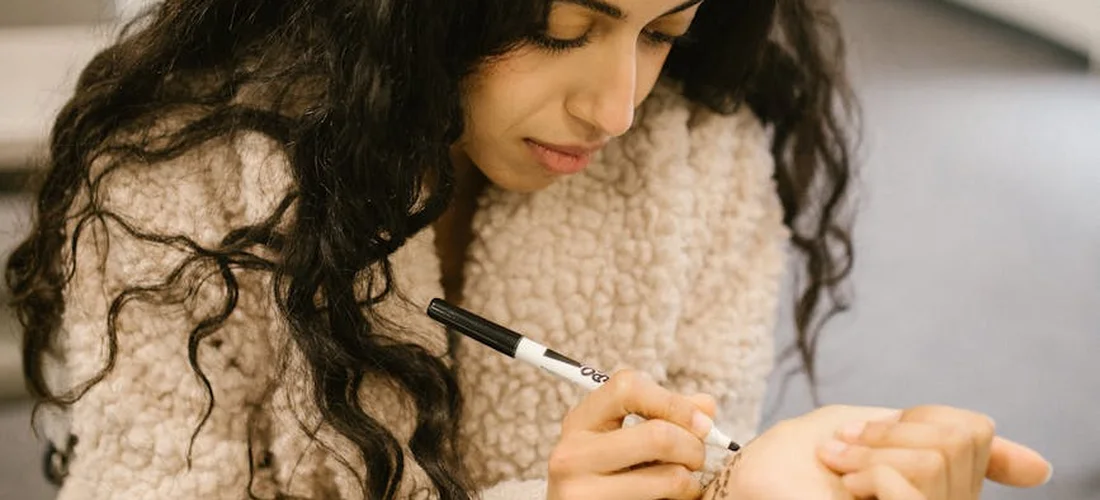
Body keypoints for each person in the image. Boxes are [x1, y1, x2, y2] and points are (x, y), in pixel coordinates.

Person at [4, 0, 1051, 499]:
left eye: (661, 31)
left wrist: (756, 483)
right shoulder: (181, 177)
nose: (616, 106)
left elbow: (690, 452)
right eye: (562, 29)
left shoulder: (695, 155)